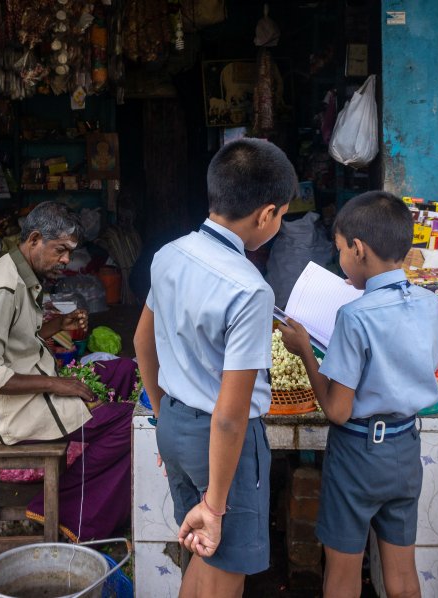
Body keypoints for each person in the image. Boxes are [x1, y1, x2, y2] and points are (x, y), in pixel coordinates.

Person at [133, 138, 297, 598]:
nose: (278, 223)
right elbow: (229, 414)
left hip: (177, 424)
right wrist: (218, 504)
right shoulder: (249, 288)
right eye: (282, 215)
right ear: (266, 215)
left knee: (203, 559)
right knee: (225, 576)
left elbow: (142, 341)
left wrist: (167, 415)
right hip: (221, 446)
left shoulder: (168, 255)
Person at [279, 191, 438, 598]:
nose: (339, 261)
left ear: (358, 248)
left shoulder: (354, 316)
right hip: (405, 448)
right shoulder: (432, 303)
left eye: (339, 250)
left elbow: (337, 410)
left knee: (342, 576)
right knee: (403, 577)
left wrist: (305, 352)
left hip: (358, 454)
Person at [0, 201, 134, 541]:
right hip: (12, 415)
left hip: (33, 392)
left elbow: (18, 341)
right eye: (60, 250)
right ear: (35, 240)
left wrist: (58, 324)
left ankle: (84, 490)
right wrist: (58, 384)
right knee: (131, 421)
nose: (65, 261)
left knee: (124, 371)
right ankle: (62, 507)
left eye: (69, 252)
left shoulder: (21, 274)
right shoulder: (3, 289)